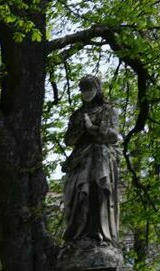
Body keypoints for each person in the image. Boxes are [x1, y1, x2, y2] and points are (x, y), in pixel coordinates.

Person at [61, 74, 121, 250]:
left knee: (99, 193)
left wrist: (91, 128)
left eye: (89, 88)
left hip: (101, 158)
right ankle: (78, 235)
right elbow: (69, 140)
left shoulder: (108, 111)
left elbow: (113, 136)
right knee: (78, 195)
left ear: (97, 89)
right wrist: (81, 128)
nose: (86, 93)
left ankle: (100, 235)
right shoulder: (78, 114)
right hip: (81, 159)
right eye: (83, 89)